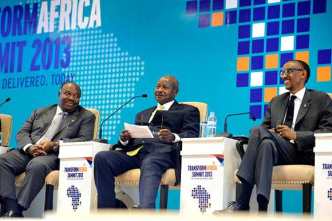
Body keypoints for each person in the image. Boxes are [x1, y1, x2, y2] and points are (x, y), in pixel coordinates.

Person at [223, 60, 332, 212]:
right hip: (277, 152)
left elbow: (327, 132)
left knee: (257, 132)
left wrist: (295, 135)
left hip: (304, 153)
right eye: (282, 72)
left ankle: (242, 201)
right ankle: (262, 207)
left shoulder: (321, 99)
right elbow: (264, 129)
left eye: (289, 71)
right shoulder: (276, 101)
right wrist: (272, 133)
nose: (284, 76)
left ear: (303, 74)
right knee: (265, 142)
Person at [94, 75, 200, 209]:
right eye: (158, 86)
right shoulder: (142, 114)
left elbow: (192, 134)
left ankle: (145, 213)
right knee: (102, 158)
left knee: (150, 162)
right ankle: (108, 211)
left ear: (175, 92)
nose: (159, 90)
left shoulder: (188, 110)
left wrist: (173, 137)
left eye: (165, 87)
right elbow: (131, 142)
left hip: (163, 154)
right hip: (136, 153)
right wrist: (125, 140)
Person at [0, 82, 95, 217]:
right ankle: (10, 205)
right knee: (3, 161)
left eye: (76, 96)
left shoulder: (86, 116)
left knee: (37, 165)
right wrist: (30, 147)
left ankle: (17, 209)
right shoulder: (40, 111)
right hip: (29, 150)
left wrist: (54, 145)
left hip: (53, 155)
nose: (72, 98)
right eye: (68, 93)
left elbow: (84, 140)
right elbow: (22, 133)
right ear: (59, 93)